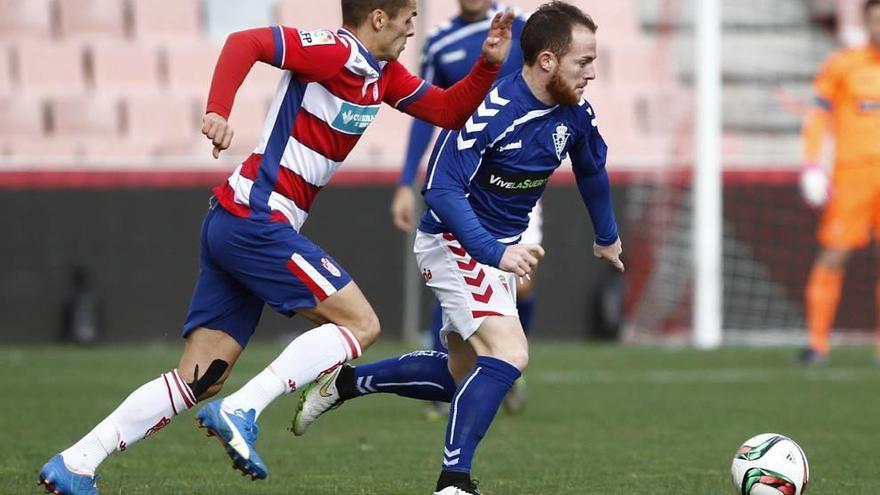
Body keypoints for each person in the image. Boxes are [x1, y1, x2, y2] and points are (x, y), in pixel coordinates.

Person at [37, 1, 515, 493]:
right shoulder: (335, 52)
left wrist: (488, 64)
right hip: (255, 219)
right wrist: (219, 110)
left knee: (201, 376)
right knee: (361, 323)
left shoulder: (383, 75)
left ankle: (76, 463)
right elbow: (246, 42)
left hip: (234, 220)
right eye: (408, 18)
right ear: (377, 18)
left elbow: (449, 109)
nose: (414, 28)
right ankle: (243, 410)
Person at [291, 3, 624, 494]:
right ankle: (455, 483)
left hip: (494, 247)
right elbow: (442, 188)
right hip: (452, 239)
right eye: (583, 62)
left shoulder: (575, 112)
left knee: (459, 377)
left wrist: (606, 235)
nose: (592, 73)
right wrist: (493, 252)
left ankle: (343, 384)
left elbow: (591, 168)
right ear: (548, 61)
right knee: (510, 353)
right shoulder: (493, 110)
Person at [391, 0, 533, 418]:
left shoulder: (519, 26)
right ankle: (452, 381)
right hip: (464, 174)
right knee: (459, 267)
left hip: (515, 177)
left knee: (522, 282)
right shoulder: (439, 41)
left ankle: (502, 362)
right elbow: (425, 113)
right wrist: (405, 181)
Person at [798, 0, 880, 365]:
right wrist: (813, 165)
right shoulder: (843, 65)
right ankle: (817, 343)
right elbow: (818, 115)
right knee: (835, 253)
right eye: (876, 21)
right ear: (866, 23)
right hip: (853, 176)